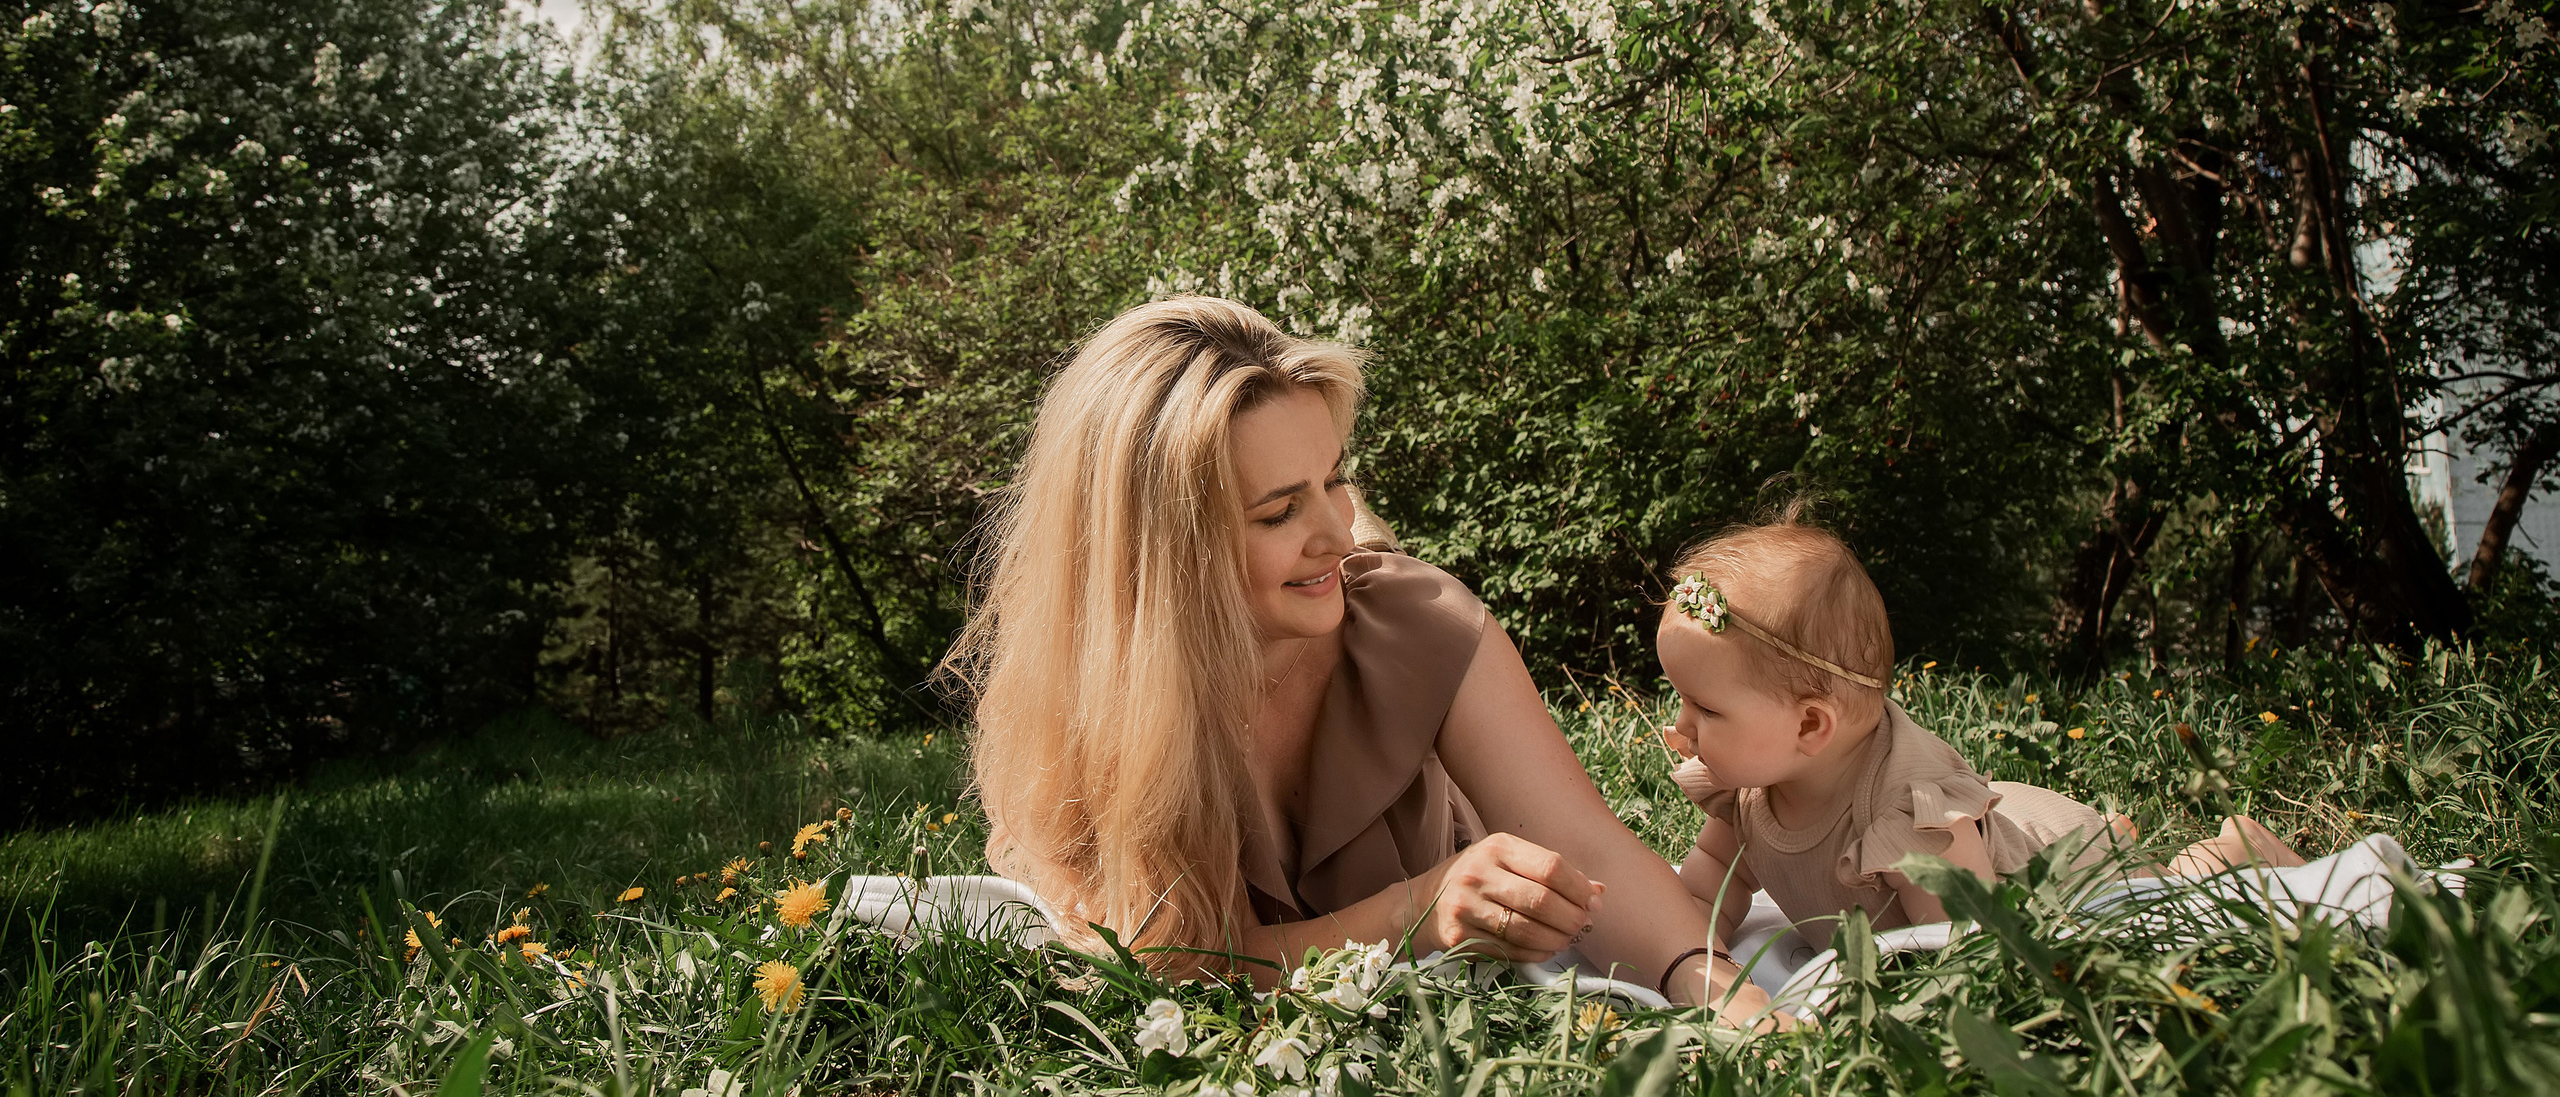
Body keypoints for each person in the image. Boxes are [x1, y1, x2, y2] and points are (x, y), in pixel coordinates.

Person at [945, 296, 1771, 1018]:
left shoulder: (1417, 623)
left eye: (1333, 479)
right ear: (1165, 555)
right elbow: (1178, 967)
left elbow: (1583, 845)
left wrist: (1719, 987)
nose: (1341, 534)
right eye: (1279, 511)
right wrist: (1419, 910)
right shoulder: (1100, 706)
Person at [1655, 503, 2306, 944]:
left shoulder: (1913, 822)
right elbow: (1710, 888)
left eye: (1706, 708)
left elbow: (1965, 944)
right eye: (1682, 696)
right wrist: (1691, 952)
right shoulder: (1747, 791)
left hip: (2059, 864)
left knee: (2157, 900)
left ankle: (2232, 848)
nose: (1681, 722)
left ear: (1810, 727)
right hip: (2011, 818)